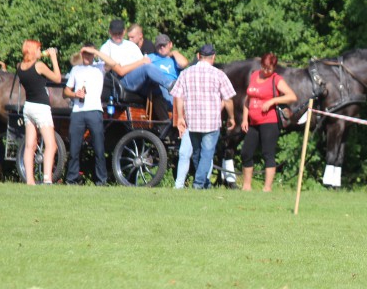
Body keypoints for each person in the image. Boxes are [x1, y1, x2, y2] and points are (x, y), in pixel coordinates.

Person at [172, 43, 236, 189]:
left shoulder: (185, 73)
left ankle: (205, 183)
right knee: (206, 154)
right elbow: (228, 99)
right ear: (213, 57)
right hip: (211, 122)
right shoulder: (218, 74)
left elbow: (178, 97)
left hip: (192, 121)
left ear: (198, 56)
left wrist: (181, 117)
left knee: (197, 154)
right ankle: (199, 183)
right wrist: (231, 117)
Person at [240, 53, 297, 191]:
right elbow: (248, 99)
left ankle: (267, 188)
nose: (266, 71)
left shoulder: (276, 79)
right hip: (253, 122)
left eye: (270, 69)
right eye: (264, 68)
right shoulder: (254, 75)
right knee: (246, 152)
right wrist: (244, 119)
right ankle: (246, 186)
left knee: (268, 153)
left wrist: (273, 100)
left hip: (269, 121)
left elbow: (292, 96)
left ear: (274, 68)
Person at [98, 18, 175, 106]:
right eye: (115, 33)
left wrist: (142, 62)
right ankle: (170, 84)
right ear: (110, 32)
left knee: (158, 84)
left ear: (124, 31)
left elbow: (145, 62)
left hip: (137, 78)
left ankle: (173, 114)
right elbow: (121, 71)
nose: (118, 36)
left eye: (120, 33)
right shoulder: (106, 48)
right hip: (121, 81)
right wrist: (140, 62)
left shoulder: (131, 45)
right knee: (148, 68)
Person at [16, 40, 61, 184]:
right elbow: (57, 78)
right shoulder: (39, 66)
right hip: (41, 107)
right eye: (38, 49)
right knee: (51, 144)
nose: (40, 51)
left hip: (28, 106)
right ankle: (47, 178)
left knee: (30, 145)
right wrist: (54, 59)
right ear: (33, 50)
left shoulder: (20, 67)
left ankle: (30, 181)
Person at [63, 44, 108, 185]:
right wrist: (75, 94)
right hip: (78, 111)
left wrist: (95, 51)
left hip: (94, 110)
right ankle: (71, 179)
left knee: (99, 147)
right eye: (85, 54)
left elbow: (113, 63)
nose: (87, 57)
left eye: (89, 54)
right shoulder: (76, 69)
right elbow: (66, 92)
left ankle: (101, 180)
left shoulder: (99, 68)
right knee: (74, 148)